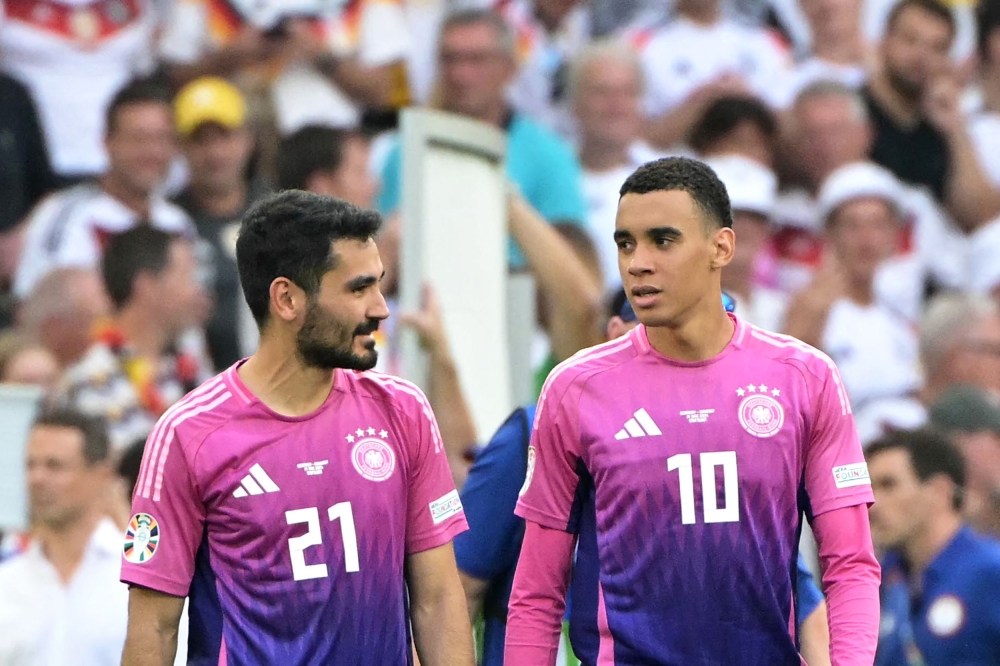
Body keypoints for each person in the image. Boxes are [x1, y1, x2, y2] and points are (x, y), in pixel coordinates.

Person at [505, 157, 880, 664]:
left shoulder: (805, 378)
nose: (638, 263)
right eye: (625, 244)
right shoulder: (575, 388)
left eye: (663, 241)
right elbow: (536, 592)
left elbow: (851, 564)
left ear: (721, 247)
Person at [119, 190, 474, 665]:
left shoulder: (403, 411)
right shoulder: (189, 434)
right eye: (358, 289)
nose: (380, 308)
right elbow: (154, 627)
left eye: (379, 285)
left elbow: (438, 598)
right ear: (287, 299)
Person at [460, 292, 833, 666]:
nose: (678, 348)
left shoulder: (726, 442)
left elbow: (803, 600)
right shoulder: (536, 432)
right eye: (657, 331)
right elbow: (460, 590)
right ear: (615, 333)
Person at [378, 7, 586, 268]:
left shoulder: (548, 155)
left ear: (509, 68)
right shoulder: (405, 150)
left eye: (477, 60)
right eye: (450, 59)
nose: (461, 73)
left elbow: (573, 259)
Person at [13, 79, 194, 299]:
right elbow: (34, 303)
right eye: (138, 139)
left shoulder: (177, 223)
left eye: (162, 139)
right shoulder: (65, 214)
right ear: (107, 142)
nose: (152, 152)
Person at [55, 227, 210, 451]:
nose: (197, 291)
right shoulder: (91, 379)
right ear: (147, 286)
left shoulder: (191, 367)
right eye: (187, 277)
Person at [0, 409, 127, 665]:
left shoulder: (135, 579)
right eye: (30, 465)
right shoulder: (8, 580)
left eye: (54, 466)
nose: (37, 478)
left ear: (101, 475)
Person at [863, 0, 1000, 231]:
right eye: (910, 40)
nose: (921, 56)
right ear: (883, 41)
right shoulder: (850, 112)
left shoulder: (942, 130)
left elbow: (983, 219)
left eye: (938, 48)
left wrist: (956, 130)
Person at [867, 429, 1000, 665]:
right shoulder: (882, 580)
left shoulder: (990, 573)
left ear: (940, 490)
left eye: (889, 485)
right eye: (870, 489)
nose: (872, 505)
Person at [172, 77, 267, 371]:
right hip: (194, 381)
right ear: (180, 147)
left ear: (248, 139)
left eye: (224, 137)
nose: (214, 153)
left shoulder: (278, 214)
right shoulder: (169, 223)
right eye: (200, 140)